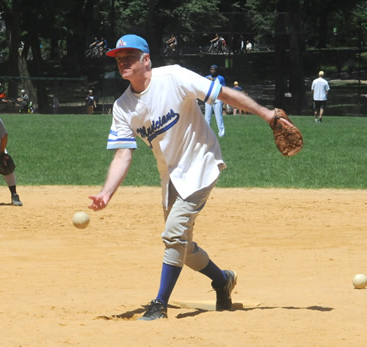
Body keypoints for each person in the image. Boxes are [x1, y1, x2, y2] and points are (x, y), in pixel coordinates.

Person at [90, 34, 288, 321]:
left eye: (129, 56)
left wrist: (266, 114)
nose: (123, 61)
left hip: (201, 163)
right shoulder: (123, 106)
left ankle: (159, 304)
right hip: (171, 175)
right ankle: (222, 279)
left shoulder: (174, 77)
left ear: (147, 60)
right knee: (183, 245)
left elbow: (221, 94)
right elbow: (123, 154)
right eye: (119, 58)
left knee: (173, 235)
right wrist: (107, 192)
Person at [204, 65, 226, 137]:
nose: (213, 71)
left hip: (217, 99)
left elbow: (223, 89)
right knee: (207, 117)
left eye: (214, 69)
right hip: (209, 98)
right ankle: (207, 133)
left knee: (219, 117)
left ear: (217, 70)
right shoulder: (206, 78)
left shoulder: (220, 78)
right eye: (211, 69)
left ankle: (221, 133)